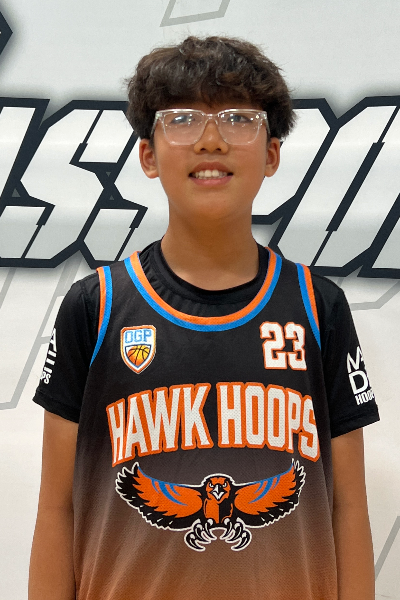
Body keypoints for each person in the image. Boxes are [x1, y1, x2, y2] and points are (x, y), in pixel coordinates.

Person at [29, 36, 379, 600]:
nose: (211, 139)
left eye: (239, 119)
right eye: (182, 119)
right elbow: (56, 507)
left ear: (272, 153)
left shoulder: (319, 308)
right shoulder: (94, 307)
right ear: (148, 154)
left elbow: (349, 508)